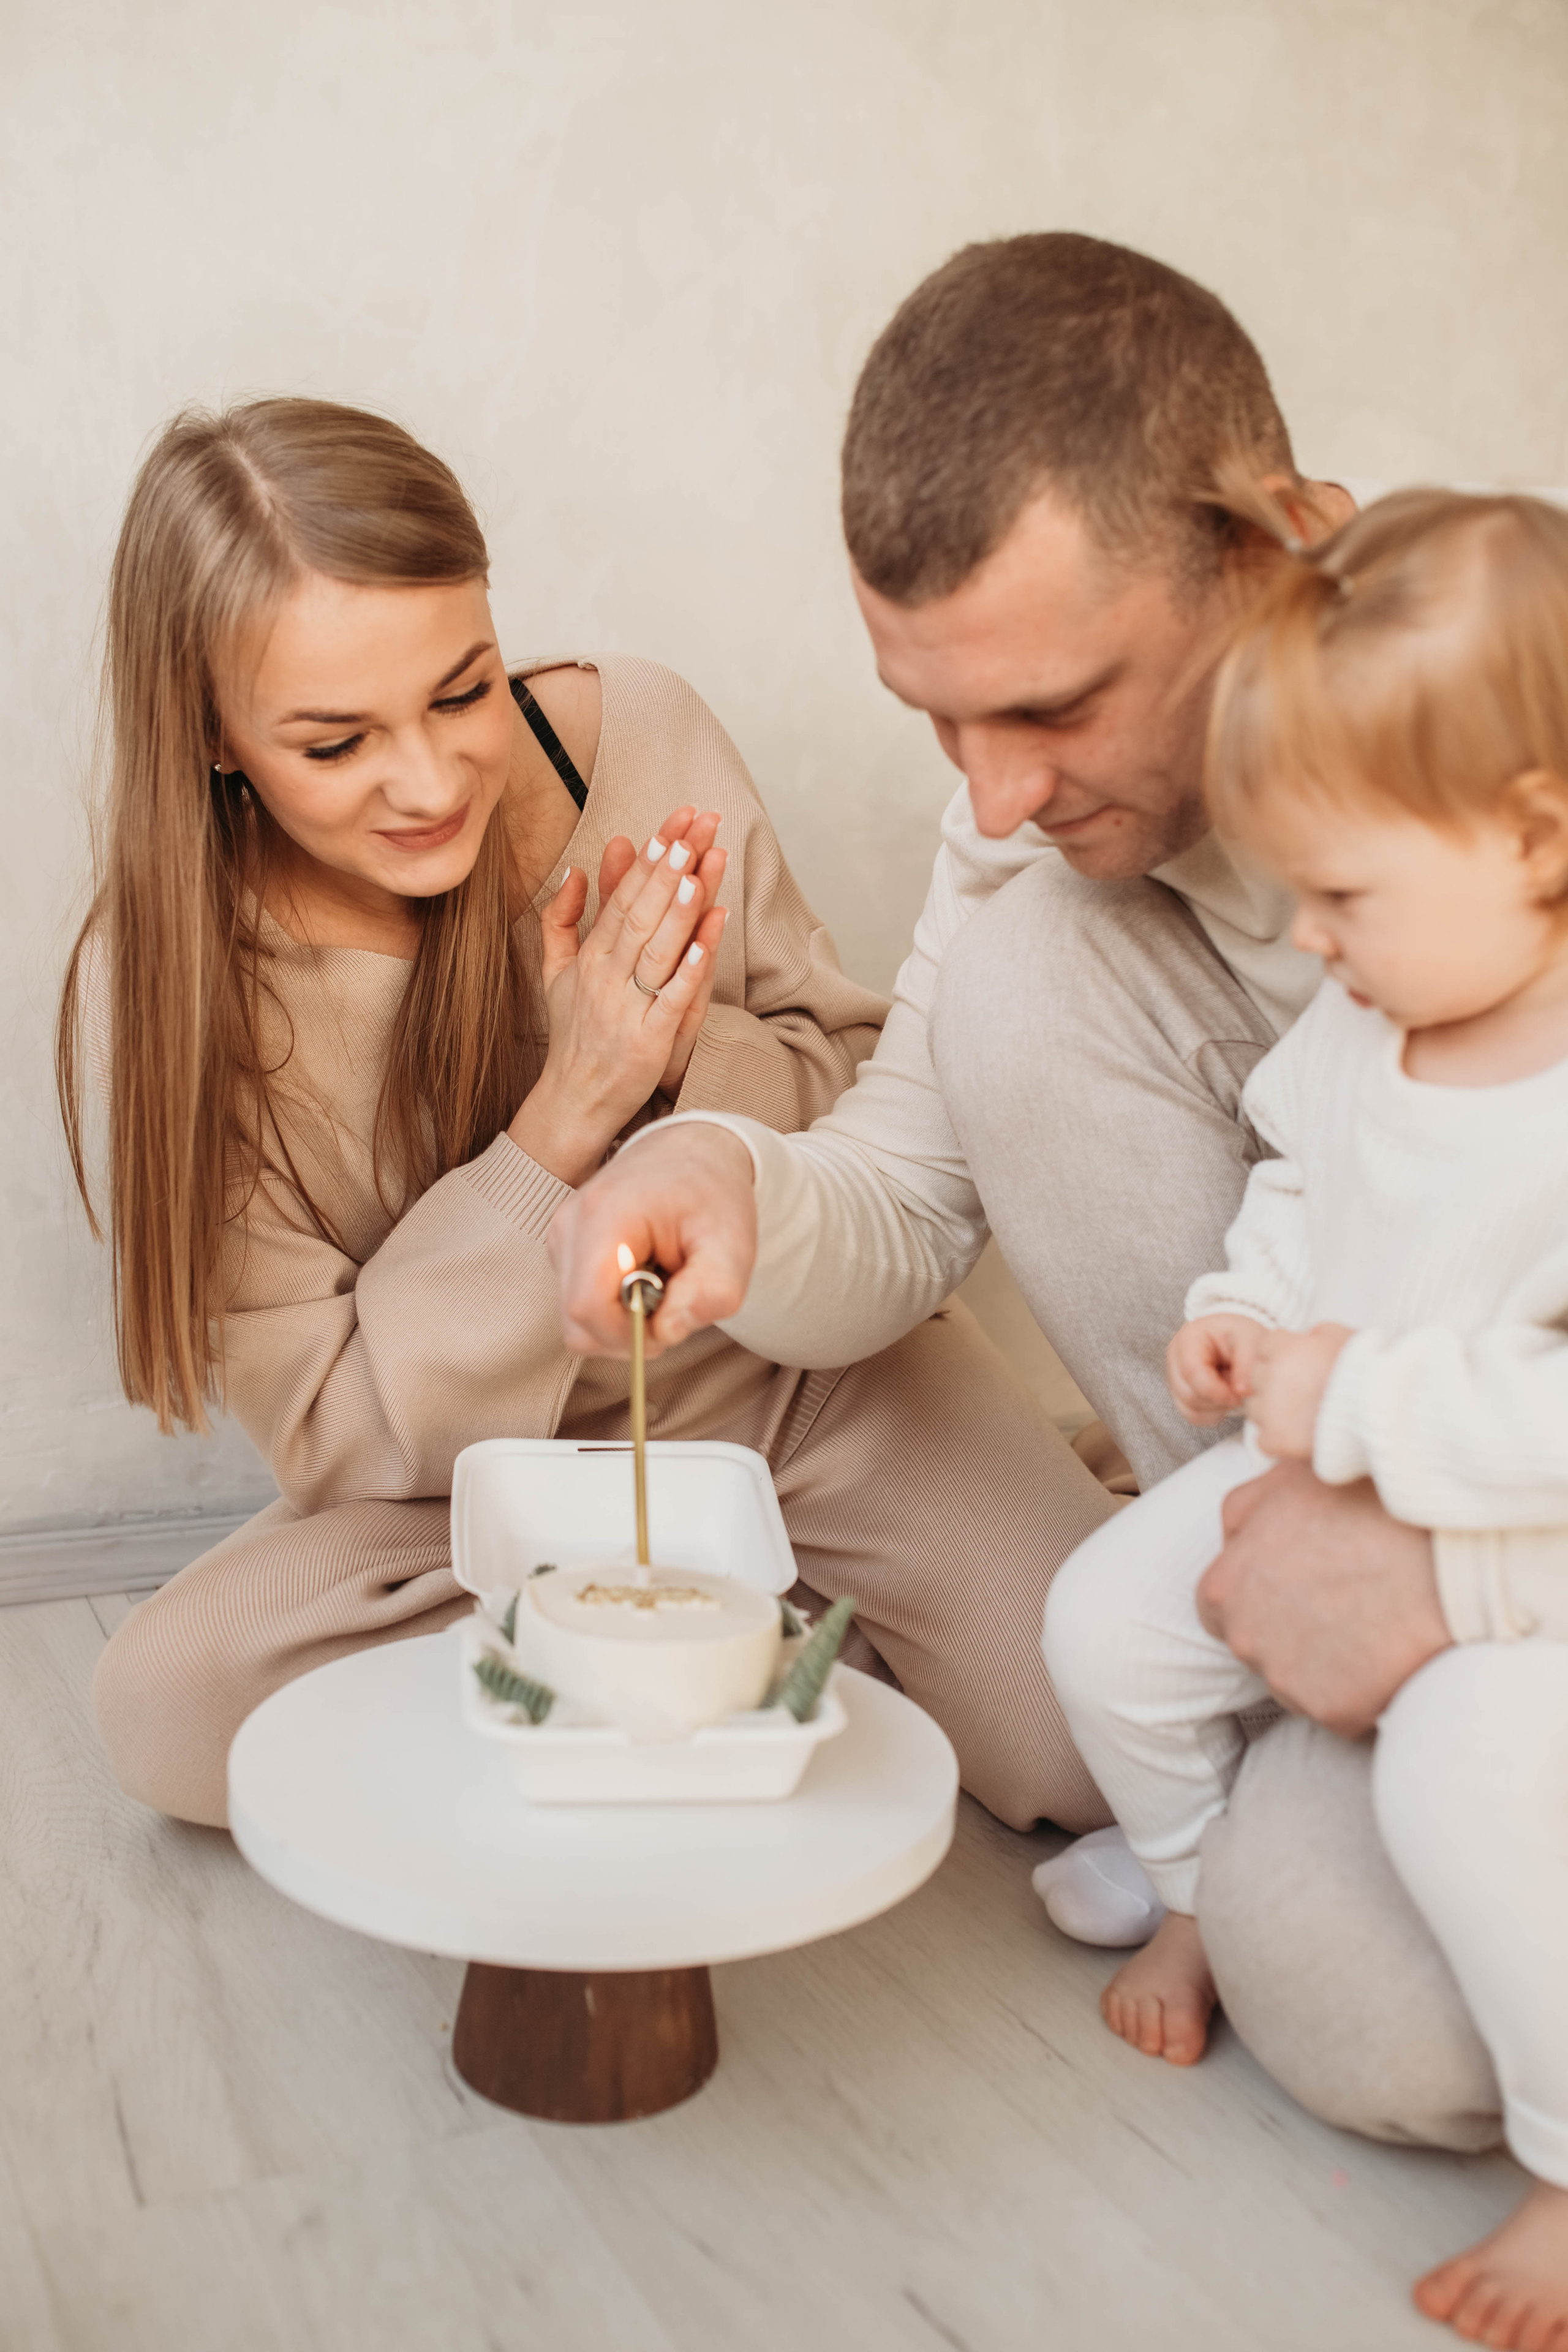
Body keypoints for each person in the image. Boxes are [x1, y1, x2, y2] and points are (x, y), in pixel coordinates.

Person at [549, 235, 1533, 2155]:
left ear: (1279, 544)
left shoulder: (1506, 719)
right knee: (1367, 2010)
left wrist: (1455, 1578)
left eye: (1055, 709)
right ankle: (1272, 1693)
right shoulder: (1025, 835)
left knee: (1416, 2030)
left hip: (1526, 1500)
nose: (991, 797)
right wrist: (720, 1176)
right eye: (938, 719)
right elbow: (908, 1185)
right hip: (1331, 1430)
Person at [63, 395, 1131, 1832]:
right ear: (213, 737)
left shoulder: (638, 735)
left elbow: (867, 1087)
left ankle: (794, 1609)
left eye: (463, 689)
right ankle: (768, 1635)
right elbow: (333, 1438)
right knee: (171, 1710)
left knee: (1098, 1748)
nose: (432, 778)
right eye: (334, 744)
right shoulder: (183, 989)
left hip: (798, 1389)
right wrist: (564, 1117)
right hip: (470, 1493)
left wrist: (680, 1074)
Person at [1043, 484, 1568, 2343]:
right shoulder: (1366, 1019)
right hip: (1328, 1461)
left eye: (1347, 896)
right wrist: (1242, 1316)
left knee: (1467, 1778)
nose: (1317, 943)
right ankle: (1194, 1890)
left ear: (1536, 836)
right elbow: (1291, 1180)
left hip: (1525, 1565)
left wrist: (1370, 1396)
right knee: (1101, 1623)